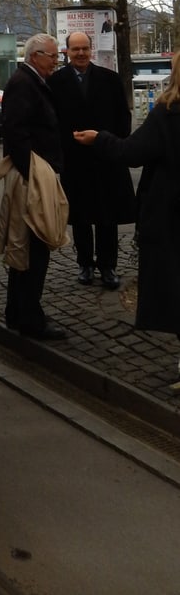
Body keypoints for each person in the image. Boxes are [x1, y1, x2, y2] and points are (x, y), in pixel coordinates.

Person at [74, 51, 180, 382]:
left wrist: (98, 139)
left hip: (171, 216)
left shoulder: (169, 111)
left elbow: (131, 152)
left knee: (174, 288)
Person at [0, 33, 69, 340]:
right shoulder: (24, 84)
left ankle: (17, 313)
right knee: (35, 248)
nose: (56, 61)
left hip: (35, 174)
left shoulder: (28, 81)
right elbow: (16, 133)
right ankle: (30, 318)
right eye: (52, 56)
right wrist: (34, 175)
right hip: (34, 179)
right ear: (35, 56)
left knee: (25, 249)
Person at [48, 31, 135, 290]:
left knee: (107, 217)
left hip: (107, 159)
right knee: (81, 216)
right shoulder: (56, 82)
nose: (81, 53)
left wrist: (109, 142)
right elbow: (52, 122)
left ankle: (108, 266)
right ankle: (85, 264)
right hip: (75, 162)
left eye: (85, 48)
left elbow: (124, 118)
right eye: (76, 49)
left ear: (92, 49)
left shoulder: (110, 79)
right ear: (67, 52)